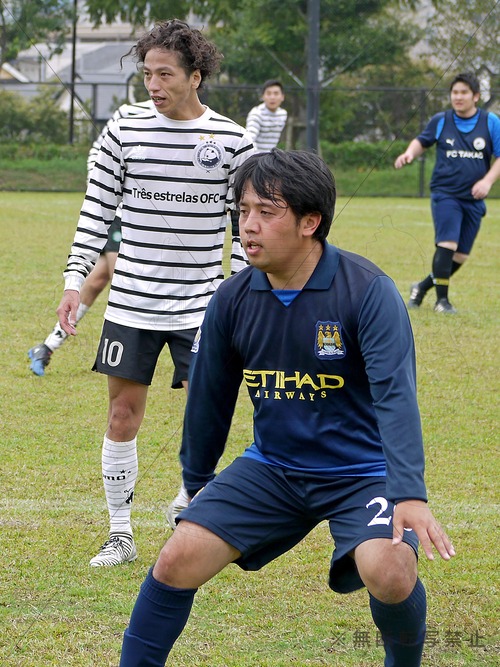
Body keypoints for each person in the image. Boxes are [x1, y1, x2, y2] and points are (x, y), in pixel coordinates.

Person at [119, 149, 455, 667]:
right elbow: (210, 396)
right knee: (176, 559)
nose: (247, 226)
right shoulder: (232, 298)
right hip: (273, 468)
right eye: (243, 210)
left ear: (310, 222)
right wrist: (196, 478)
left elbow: (395, 396)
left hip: (362, 474)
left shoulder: (368, 292)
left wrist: (408, 493)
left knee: (390, 571)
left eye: (266, 212)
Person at [56, 19, 254, 567]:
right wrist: (75, 282)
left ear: (196, 76)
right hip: (132, 304)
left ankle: (189, 502)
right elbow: (95, 213)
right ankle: (120, 535)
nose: (154, 85)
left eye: (165, 74)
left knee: (204, 412)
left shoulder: (234, 141)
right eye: (147, 74)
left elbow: (245, 230)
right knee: (122, 416)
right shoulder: (122, 131)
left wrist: (235, 295)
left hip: (203, 306)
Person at [27, 100, 155, 376]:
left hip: (147, 223)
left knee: (97, 280)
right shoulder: (129, 112)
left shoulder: (188, 120)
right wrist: (103, 192)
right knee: (120, 272)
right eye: (150, 73)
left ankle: (46, 347)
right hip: (119, 215)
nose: (156, 83)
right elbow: (97, 151)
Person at [395, 71, 500, 314]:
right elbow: (421, 141)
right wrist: (410, 153)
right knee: (447, 244)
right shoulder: (441, 120)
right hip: (446, 194)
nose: (458, 97)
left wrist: (487, 181)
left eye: (464, 92)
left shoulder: (490, 122)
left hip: (474, 198)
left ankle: (420, 287)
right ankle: (442, 301)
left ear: (476, 96)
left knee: (460, 255)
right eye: (454, 92)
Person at [245, 79, 287, 151]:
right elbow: (249, 141)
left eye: (276, 93)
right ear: (263, 96)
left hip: (271, 158)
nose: (272, 97)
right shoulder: (256, 113)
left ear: (282, 97)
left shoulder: (283, 114)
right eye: (268, 93)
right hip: (256, 159)